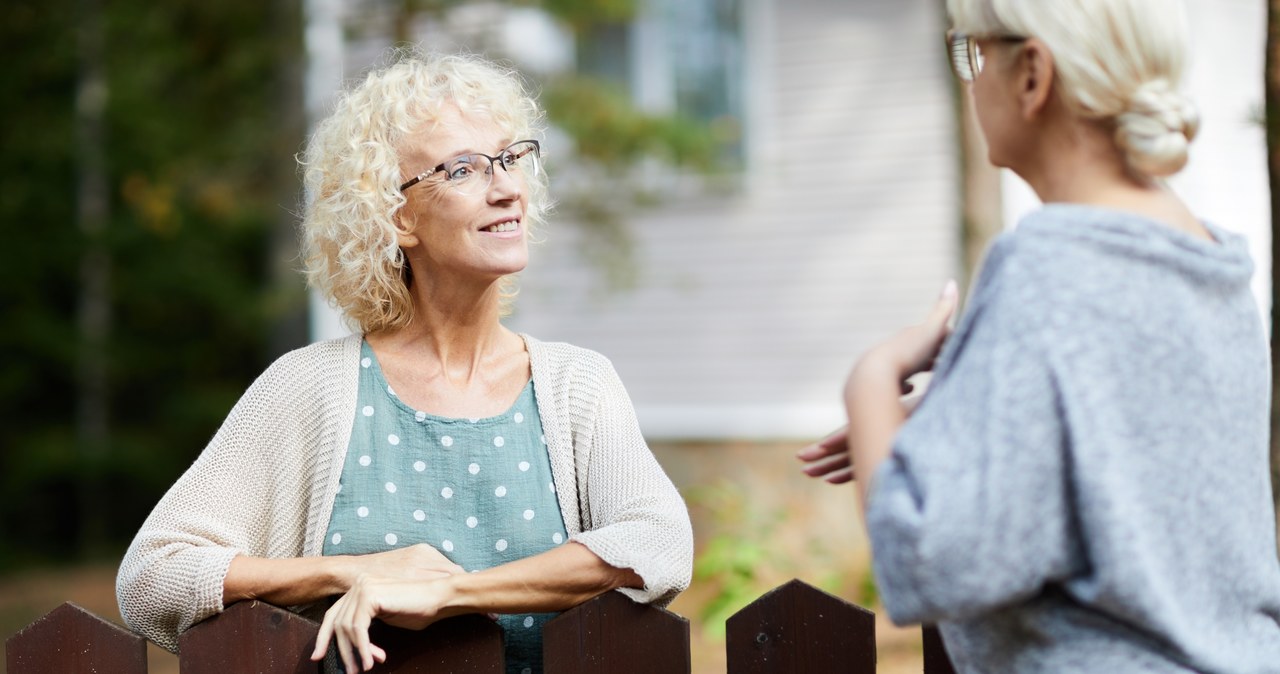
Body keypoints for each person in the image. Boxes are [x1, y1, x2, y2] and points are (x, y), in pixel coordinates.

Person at [116, 51, 693, 674]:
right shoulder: (307, 388)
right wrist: (349, 572)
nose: (506, 188)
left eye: (509, 159)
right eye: (463, 170)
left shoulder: (577, 383)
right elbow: (153, 575)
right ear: (397, 217)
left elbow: (658, 542)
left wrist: (450, 592)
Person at [799, 0, 1280, 671]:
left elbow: (926, 564)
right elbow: (1132, 446)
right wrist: (955, 410)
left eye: (973, 51)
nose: (970, 78)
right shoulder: (1210, 263)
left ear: (1031, 73)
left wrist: (872, 382)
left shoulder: (1048, 266)